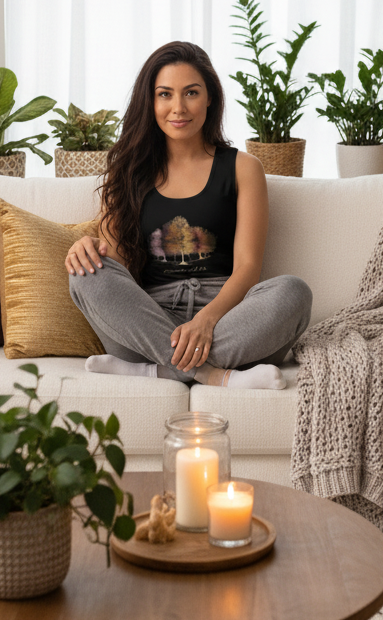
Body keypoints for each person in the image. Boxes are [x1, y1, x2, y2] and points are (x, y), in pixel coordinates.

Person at [66, 41, 312, 389]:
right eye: (165, 94)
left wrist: (206, 321)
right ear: (150, 102)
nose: (178, 107)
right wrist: (88, 248)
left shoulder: (243, 168)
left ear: (210, 97)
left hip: (227, 318)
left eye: (191, 93)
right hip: (148, 322)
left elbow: (247, 268)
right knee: (85, 274)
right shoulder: (127, 171)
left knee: (294, 291)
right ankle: (215, 375)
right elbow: (116, 264)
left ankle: (158, 371)